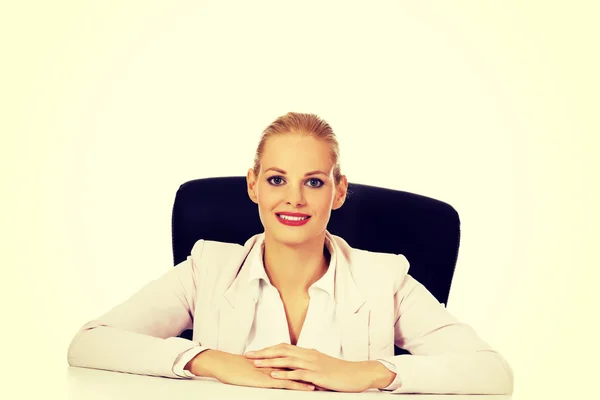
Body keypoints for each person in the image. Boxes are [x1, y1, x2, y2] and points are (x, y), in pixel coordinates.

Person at [67, 112, 514, 394]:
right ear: (253, 185)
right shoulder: (209, 268)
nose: (294, 199)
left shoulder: (385, 279)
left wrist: (369, 373)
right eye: (277, 179)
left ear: (337, 192)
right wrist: (214, 362)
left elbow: (492, 373)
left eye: (314, 182)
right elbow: (89, 343)